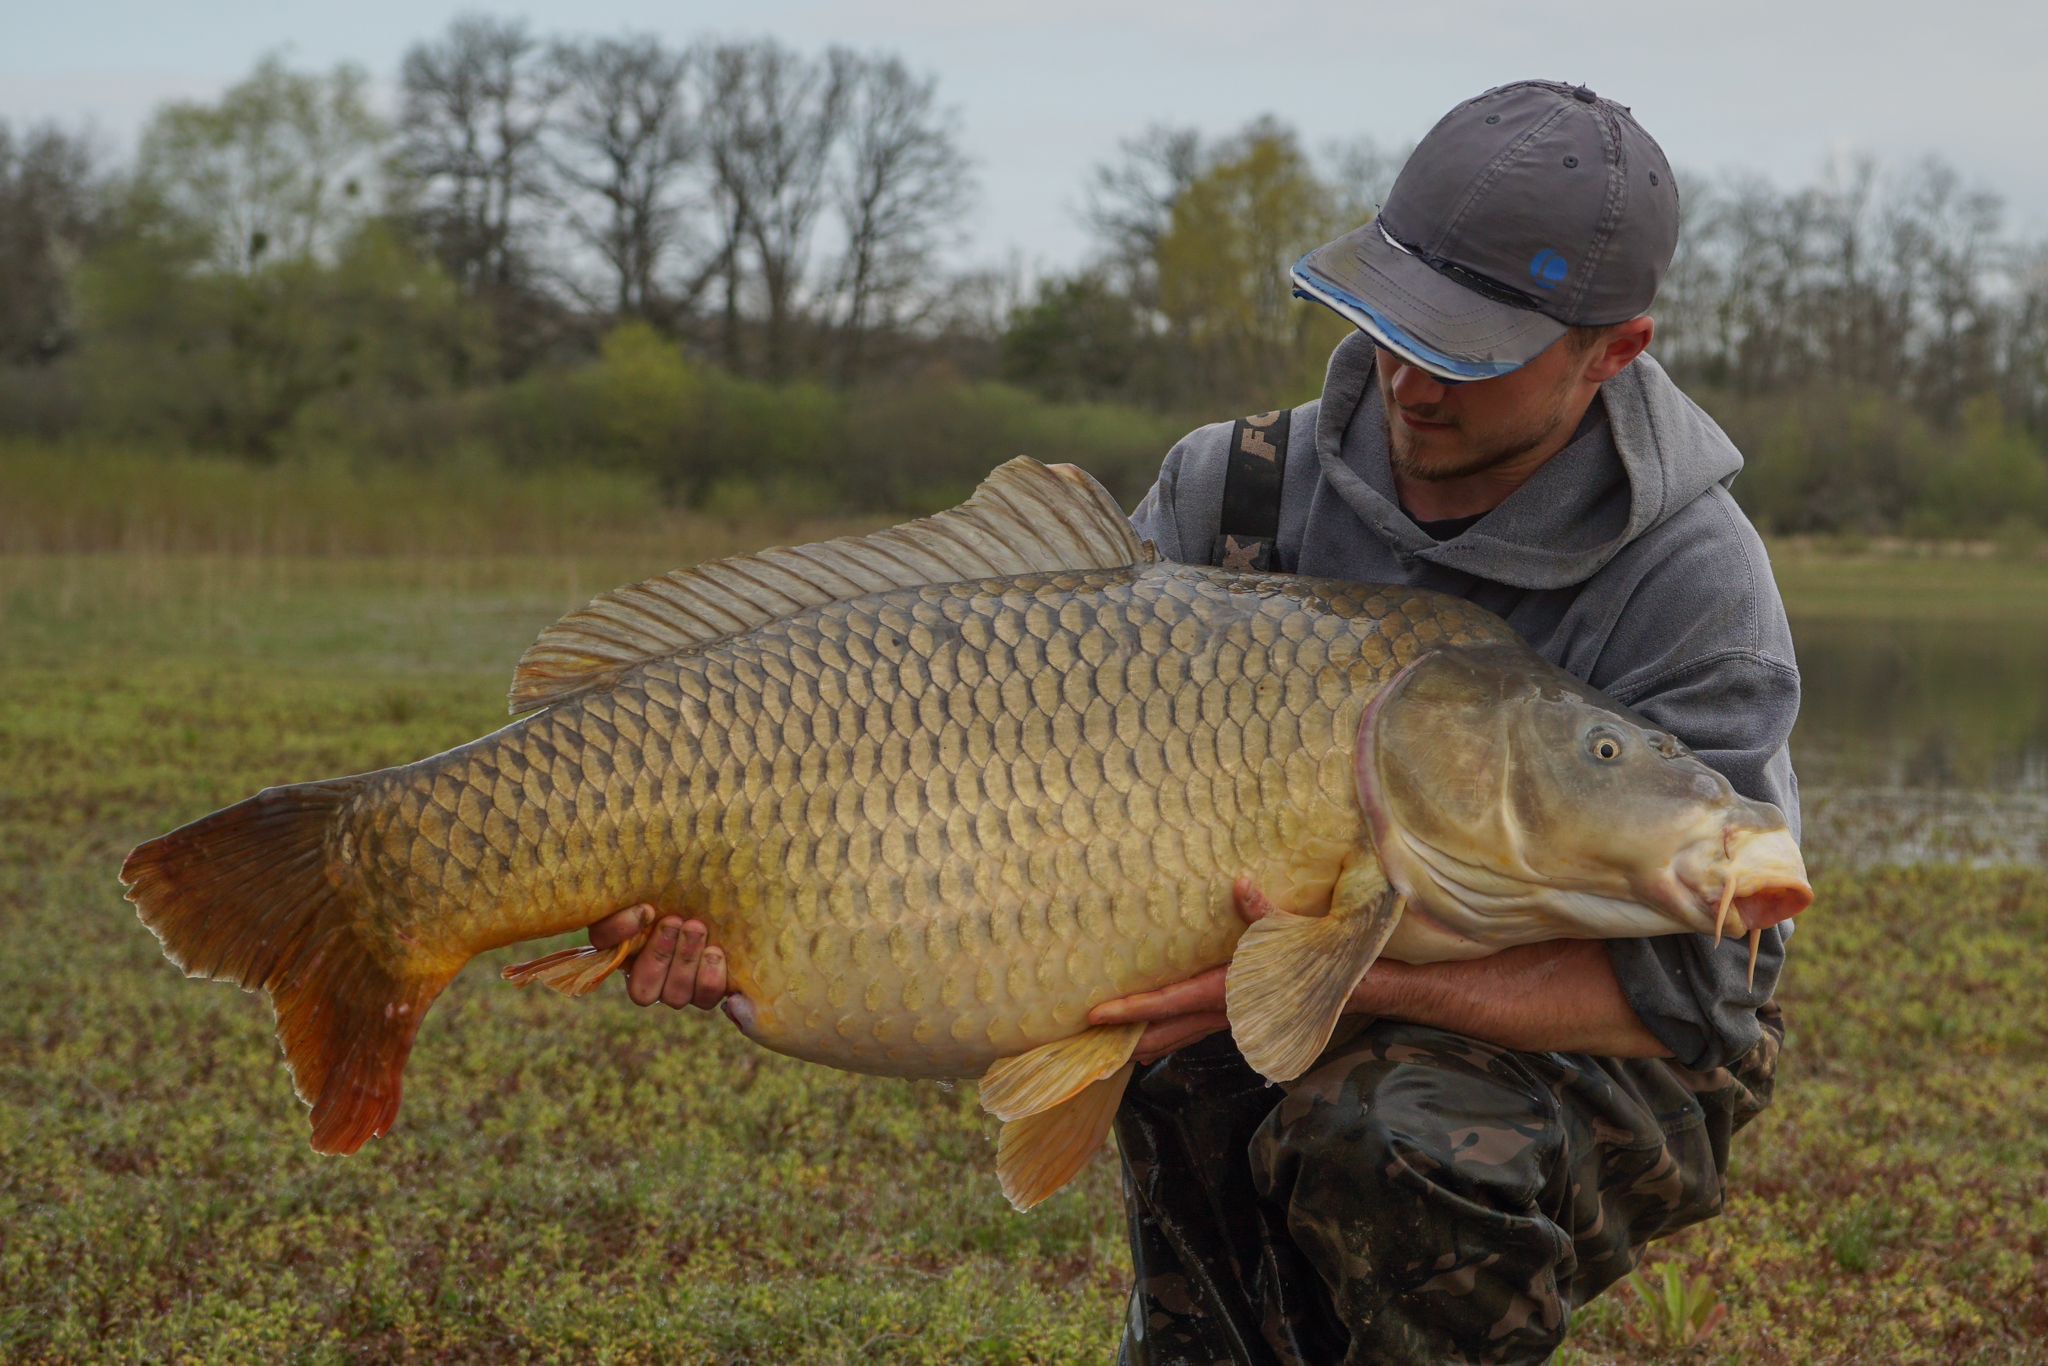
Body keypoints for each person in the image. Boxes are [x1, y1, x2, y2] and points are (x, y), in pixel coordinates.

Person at [589, 79, 1800, 1364]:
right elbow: (1030, 771)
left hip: (1596, 1045)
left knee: (1391, 1129)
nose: (1410, 380)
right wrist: (728, 893)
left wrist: (1347, 982)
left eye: (1468, 352)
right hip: (1275, 967)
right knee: (1175, 1034)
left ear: (1614, 349)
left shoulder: (1690, 578)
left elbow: (1706, 994)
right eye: (1390, 321)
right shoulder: (1234, 490)